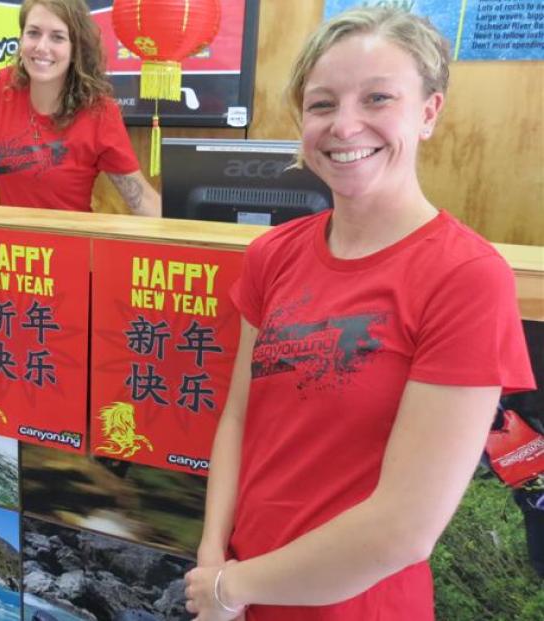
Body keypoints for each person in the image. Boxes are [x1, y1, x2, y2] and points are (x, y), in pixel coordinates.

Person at [182, 8, 535, 620]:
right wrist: (214, 558)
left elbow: (402, 529)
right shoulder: (273, 255)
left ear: (429, 111)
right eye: (322, 104)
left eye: (377, 98)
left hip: (357, 605)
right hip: (241, 591)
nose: (345, 126)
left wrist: (226, 589)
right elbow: (239, 417)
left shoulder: (468, 279)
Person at [0, 0, 160, 216]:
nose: (41, 47)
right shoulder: (5, 86)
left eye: (57, 37)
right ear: (21, 38)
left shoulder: (99, 112)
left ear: (76, 47)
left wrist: (186, 240)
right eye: (33, 33)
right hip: (9, 247)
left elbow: (140, 197)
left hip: (70, 244)